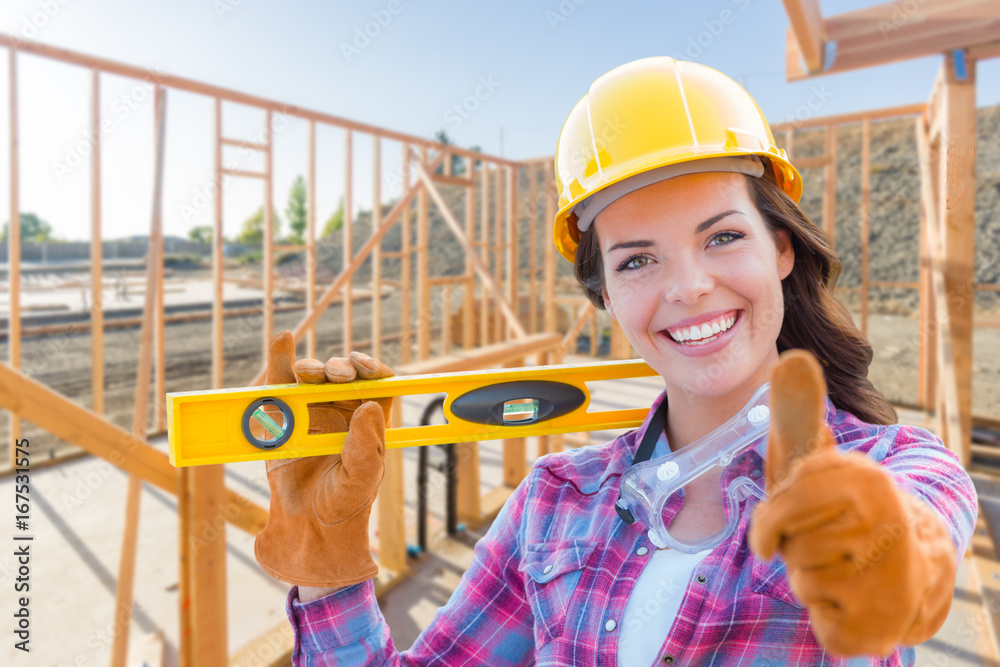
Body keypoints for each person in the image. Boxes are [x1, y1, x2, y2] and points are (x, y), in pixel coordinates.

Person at [253, 57, 977, 666]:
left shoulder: (898, 466)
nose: (688, 286)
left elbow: (919, 537)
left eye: (722, 237)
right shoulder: (553, 503)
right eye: (637, 259)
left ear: (781, 248)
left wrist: (883, 552)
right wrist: (331, 576)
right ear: (605, 295)